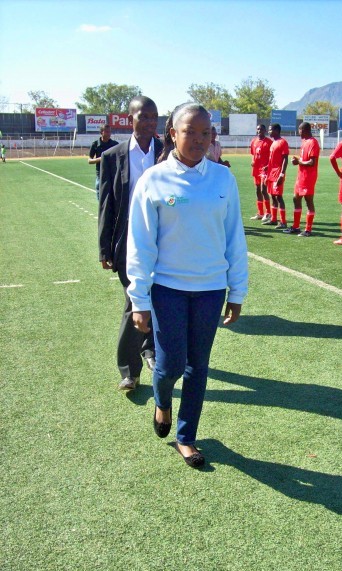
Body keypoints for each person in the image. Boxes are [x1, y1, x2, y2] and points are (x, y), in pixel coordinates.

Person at [127, 103, 248, 468]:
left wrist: (237, 291)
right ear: (172, 133)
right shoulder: (154, 180)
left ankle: (186, 436)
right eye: (190, 132)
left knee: (199, 365)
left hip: (211, 290)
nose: (198, 140)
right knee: (169, 365)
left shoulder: (223, 179)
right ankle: (162, 401)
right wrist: (139, 298)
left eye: (205, 133)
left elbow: (234, 239)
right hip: (168, 289)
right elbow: (141, 243)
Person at [98, 96, 163, 391]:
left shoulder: (168, 152)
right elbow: (106, 205)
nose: (150, 122)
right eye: (143, 116)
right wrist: (104, 248)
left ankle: (149, 349)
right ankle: (129, 369)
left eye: (154, 117)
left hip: (164, 239)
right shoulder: (113, 156)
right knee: (134, 301)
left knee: (159, 298)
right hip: (128, 242)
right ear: (130, 119)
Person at [283, 122, 320, 236]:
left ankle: (308, 229)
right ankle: (296, 226)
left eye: (299, 130)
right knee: (296, 198)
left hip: (308, 177)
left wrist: (299, 161)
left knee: (309, 201)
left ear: (304, 130)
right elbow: (304, 159)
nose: (298, 132)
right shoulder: (304, 142)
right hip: (301, 176)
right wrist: (298, 160)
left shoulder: (313, 142)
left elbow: (312, 162)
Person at [263, 123, 289, 228]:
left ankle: (283, 222)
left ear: (276, 130)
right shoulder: (274, 143)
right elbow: (272, 159)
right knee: (273, 196)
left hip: (278, 174)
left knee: (279, 197)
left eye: (270, 130)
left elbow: (285, 159)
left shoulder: (283, 142)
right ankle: (274, 219)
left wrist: (282, 174)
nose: (269, 132)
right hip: (271, 173)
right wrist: (267, 167)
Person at [88, 124, 118, 200]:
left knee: (113, 198)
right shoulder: (95, 144)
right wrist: (101, 159)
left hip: (112, 175)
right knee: (101, 198)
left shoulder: (115, 144)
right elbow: (89, 160)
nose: (109, 134)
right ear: (101, 132)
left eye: (110, 132)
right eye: (107, 132)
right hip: (100, 175)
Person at [249, 124, 272, 220]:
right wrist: (252, 161)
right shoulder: (254, 141)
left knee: (263, 190)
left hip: (264, 170)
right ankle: (260, 213)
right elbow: (253, 154)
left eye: (261, 129)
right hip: (256, 169)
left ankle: (268, 212)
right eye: (258, 129)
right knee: (257, 190)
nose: (259, 131)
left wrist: (268, 166)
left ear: (265, 131)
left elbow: (272, 156)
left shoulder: (269, 142)